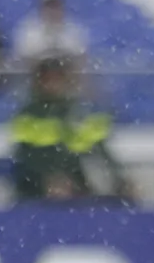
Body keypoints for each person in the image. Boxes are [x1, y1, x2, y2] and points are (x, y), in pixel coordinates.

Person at [10, 56, 114, 201]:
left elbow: (98, 151)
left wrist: (117, 181)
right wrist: (47, 178)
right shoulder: (28, 113)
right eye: (48, 79)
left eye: (58, 78)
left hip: (79, 190)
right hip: (36, 192)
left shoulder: (80, 111)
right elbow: (25, 155)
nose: (53, 84)